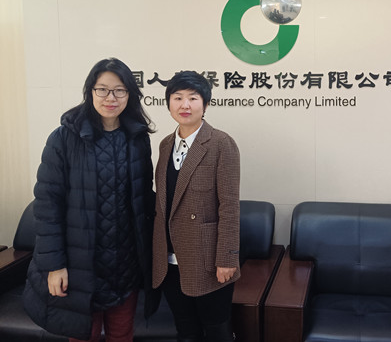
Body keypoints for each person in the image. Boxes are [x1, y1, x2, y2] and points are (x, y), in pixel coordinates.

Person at [23, 58, 157, 342]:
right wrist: (54, 265)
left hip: (126, 265)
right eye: (102, 89)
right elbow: (47, 207)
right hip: (80, 266)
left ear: (130, 94)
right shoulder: (64, 139)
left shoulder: (137, 138)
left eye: (119, 90)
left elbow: (143, 199)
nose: (111, 98)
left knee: (123, 335)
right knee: (85, 336)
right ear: (90, 91)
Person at [152, 70, 240, 342]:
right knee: (185, 330)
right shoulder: (166, 145)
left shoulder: (221, 143)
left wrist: (227, 258)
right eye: (177, 97)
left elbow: (229, 207)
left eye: (193, 98)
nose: (185, 105)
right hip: (169, 260)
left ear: (206, 104)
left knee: (217, 331)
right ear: (168, 103)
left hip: (208, 260)